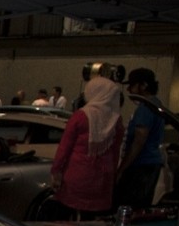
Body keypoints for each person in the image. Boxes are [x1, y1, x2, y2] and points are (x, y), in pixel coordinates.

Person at [49, 73, 126, 218]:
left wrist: (56, 171)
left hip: (78, 175)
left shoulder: (81, 116)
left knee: (71, 219)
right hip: (103, 179)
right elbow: (115, 152)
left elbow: (64, 148)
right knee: (93, 220)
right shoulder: (116, 120)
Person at [117, 68, 166, 208]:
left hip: (142, 165)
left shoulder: (146, 108)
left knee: (130, 205)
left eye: (132, 85)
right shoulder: (156, 104)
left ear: (143, 85)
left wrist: (122, 168)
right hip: (150, 163)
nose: (129, 90)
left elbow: (139, 140)